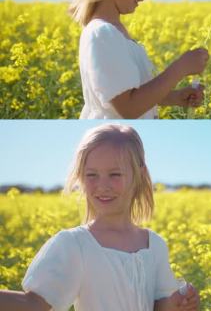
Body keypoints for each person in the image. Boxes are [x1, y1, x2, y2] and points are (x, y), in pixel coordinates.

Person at [0, 123, 200, 310]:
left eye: (115, 174)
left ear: (139, 175)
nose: (102, 186)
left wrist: (179, 303)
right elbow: (35, 305)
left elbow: (158, 304)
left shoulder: (155, 245)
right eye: (91, 175)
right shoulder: (73, 244)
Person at [71, 0, 209, 119]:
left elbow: (132, 92)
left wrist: (174, 97)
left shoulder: (116, 32)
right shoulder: (101, 34)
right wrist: (180, 68)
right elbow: (128, 107)